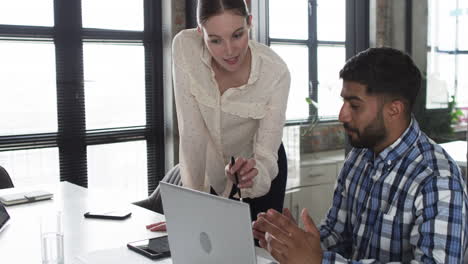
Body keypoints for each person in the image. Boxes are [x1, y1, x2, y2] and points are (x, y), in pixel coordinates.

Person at [252, 47, 468, 263]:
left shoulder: (438, 181)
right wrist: (295, 242)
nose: (342, 115)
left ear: (394, 110)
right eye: (343, 102)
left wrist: (318, 262)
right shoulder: (359, 157)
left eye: (354, 105)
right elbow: (336, 235)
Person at [144, 0, 290, 231]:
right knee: (203, 240)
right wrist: (187, 212)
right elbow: (191, 135)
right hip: (211, 164)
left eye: (237, 35)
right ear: (200, 32)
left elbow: (267, 158)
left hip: (256, 165)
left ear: (249, 22)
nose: (230, 51)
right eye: (215, 40)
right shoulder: (185, 47)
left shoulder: (275, 73)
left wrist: (251, 174)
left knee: (251, 250)